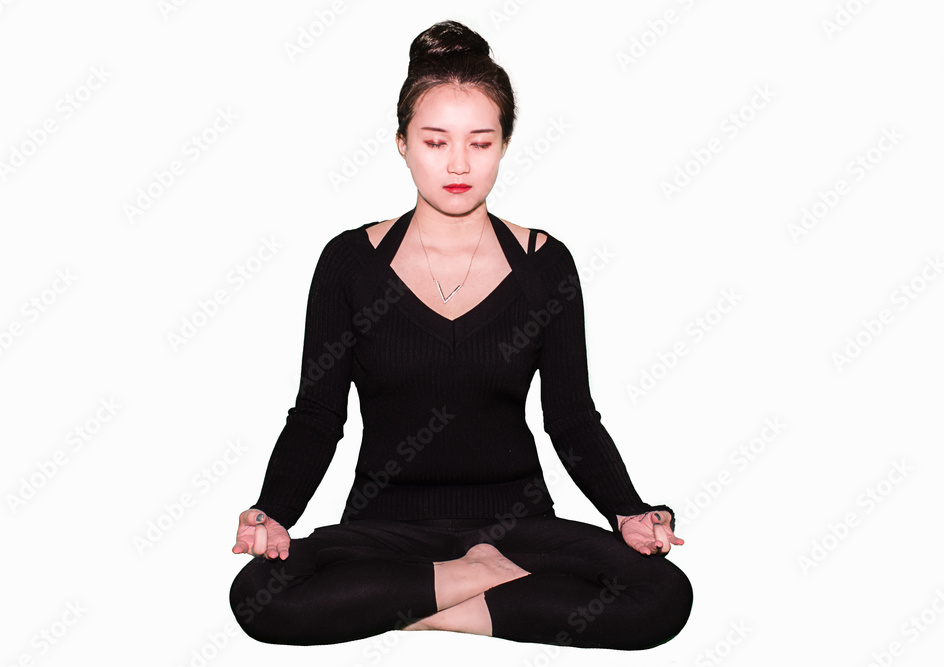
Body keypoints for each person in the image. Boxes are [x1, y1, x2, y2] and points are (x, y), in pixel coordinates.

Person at [229, 19, 693, 650]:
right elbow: (317, 417)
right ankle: (473, 579)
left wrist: (629, 510)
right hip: (384, 527)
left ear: (504, 144)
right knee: (258, 595)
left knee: (663, 597)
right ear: (401, 143)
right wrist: (272, 514)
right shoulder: (349, 262)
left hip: (518, 525)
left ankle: (415, 598)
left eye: (480, 142)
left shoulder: (544, 264)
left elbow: (571, 416)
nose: (457, 163)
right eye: (435, 140)